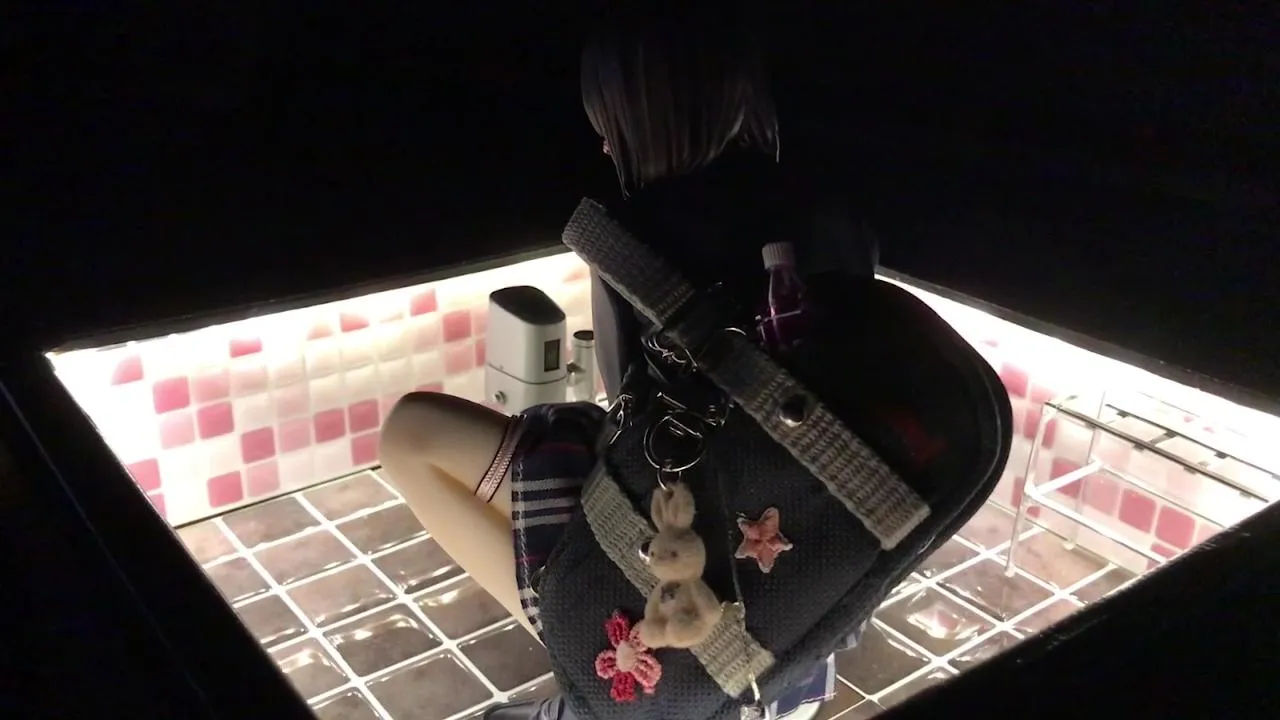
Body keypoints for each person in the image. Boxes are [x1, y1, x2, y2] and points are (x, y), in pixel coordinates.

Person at [380, 3, 875, 717]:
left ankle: (599, 664)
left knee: (412, 435)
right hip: (816, 583)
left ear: (640, 119)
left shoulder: (634, 236)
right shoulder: (836, 215)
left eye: (608, 125)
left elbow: (632, 429)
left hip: (692, 562)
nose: (606, 146)